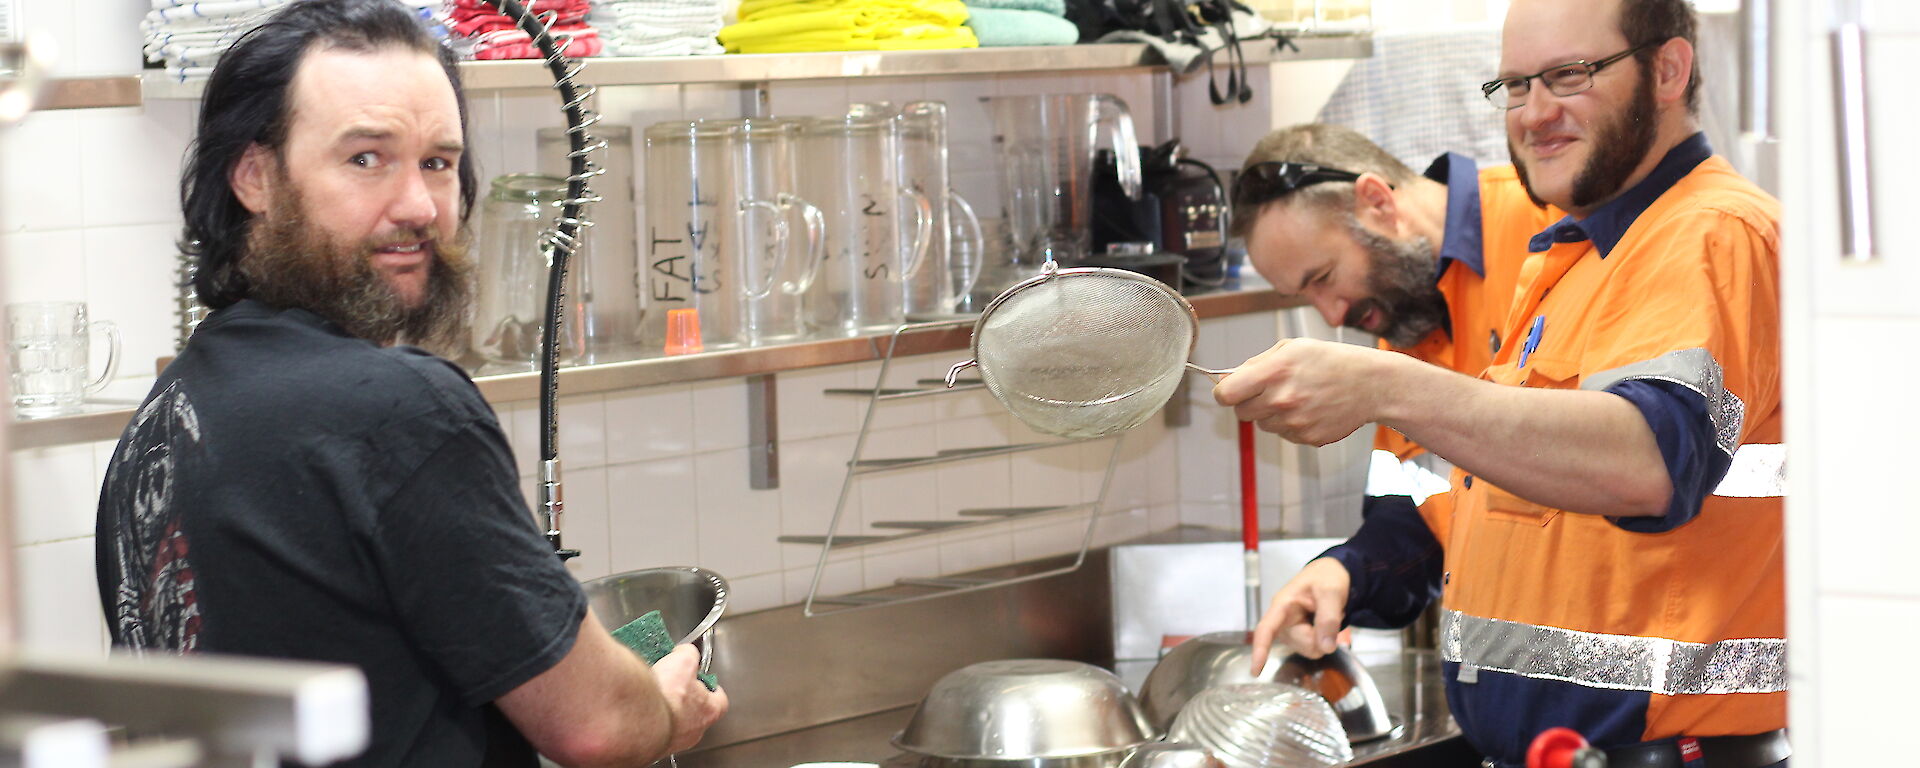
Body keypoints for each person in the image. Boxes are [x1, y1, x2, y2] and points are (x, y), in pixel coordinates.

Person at [92, 1, 727, 766]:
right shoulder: (400, 408)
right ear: (256, 177)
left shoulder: (162, 421)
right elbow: (597, 727)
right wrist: (660, 704)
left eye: (438, 162)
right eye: (366, 158)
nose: (421, 207)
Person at [1220, 1, 1787, 766]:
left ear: (1668, 70)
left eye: (1568, 75)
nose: (1534, 113)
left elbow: (1648, 461)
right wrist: (1349, 568)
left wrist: (1385, 386)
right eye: (1515, 87)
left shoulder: (1709, 232)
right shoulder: (1577, 255)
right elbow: (1470, 501)